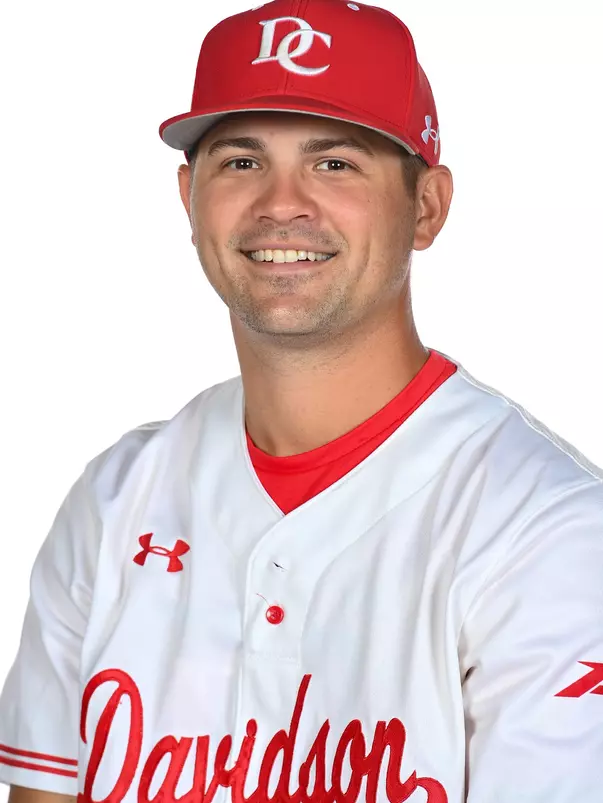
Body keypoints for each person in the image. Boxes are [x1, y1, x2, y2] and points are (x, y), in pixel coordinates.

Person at [1, 0, 602, 801]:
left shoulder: (545, 530)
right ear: (189, 200)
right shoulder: (113, 501)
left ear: (425, 207)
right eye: (241, 162)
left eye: (334, 163)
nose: (281, 204)